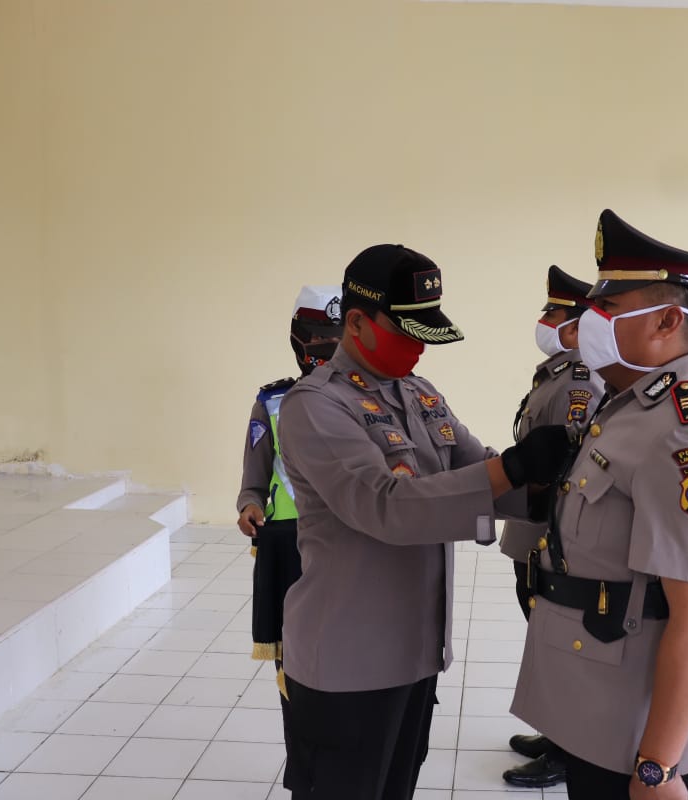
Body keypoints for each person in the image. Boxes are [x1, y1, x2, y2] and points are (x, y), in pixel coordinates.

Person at [274, 243, 573, 800]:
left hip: (414, 653)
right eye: (405, 332)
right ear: (356, 323)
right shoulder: (315, 406)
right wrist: (512, 467)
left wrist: (553, 485)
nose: (419, 347)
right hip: (347, 661)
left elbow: (478, 469)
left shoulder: (419, 393)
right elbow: (385, 506)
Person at [510, 209, 688, 799]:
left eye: (608, 307)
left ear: (668, 321)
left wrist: (658, 766)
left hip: (648, 731)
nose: (589, 320)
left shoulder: (685, 432)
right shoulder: (624, 406)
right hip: (602, 706)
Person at [501, 265, 605, 790]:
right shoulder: (557, 374)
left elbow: (566, 463)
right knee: (544, 636)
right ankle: (557, 733)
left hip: (549, 532)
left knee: (562, 645)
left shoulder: (580, 381)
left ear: (578, 325)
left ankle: (569, 752)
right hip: (533, 528)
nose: (544, 323)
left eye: (554, 314)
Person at [235, 285, 342, 713]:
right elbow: (256, 473)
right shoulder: (273, 402)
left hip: (349, 541)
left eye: (338, 337)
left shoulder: (372, 400)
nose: (328, 347)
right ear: (297, 339)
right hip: (289, 543)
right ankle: (301, 726)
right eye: (318, 337)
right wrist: (249, 505)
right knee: (295, 646)